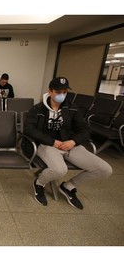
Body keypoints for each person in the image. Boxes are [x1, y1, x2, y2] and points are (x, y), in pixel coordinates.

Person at [24, 77, 112, 209]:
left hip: (70, 145)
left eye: (64, 92)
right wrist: (52, 141)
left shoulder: (72, 109)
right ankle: (39, 183)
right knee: (60, 170)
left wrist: (73, 141)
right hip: (47, 144)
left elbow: (86, 130)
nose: (61, 95)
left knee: (105, 170)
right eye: (58, 92)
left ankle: (68, 186)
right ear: (50, 91)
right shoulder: (38, 109)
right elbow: (29, 129)